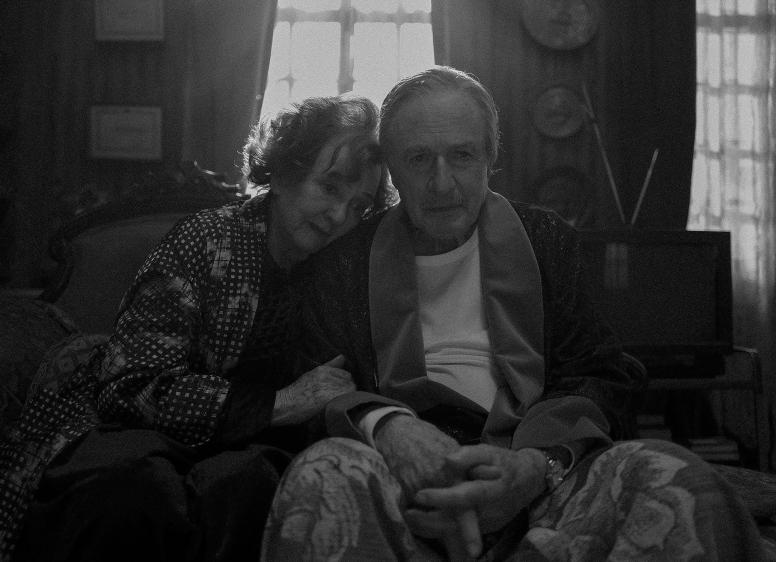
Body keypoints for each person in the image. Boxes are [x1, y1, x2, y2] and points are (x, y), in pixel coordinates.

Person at [261, 67, 766, 561]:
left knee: (671, 474)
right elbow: (317, 385)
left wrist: (533, 467)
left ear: (490, 158)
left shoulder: (546, 240)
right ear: (392, 169)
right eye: (418, 159)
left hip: (535, 471)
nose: (442, 183)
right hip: (397, 475)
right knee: (322, 474)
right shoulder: (344, 261)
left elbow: (599, 373)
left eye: (462, 155)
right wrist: (388, 427)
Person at [0, 95, 392, 561]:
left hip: (252, 457)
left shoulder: (343, 271)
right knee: (133, 490)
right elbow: (130, 388)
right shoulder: (205, 240)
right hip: (138, 439)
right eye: (329, 187)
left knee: (253, 485)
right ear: (284, 173)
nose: (339, 216)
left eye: (358, 206)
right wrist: (280, 403)